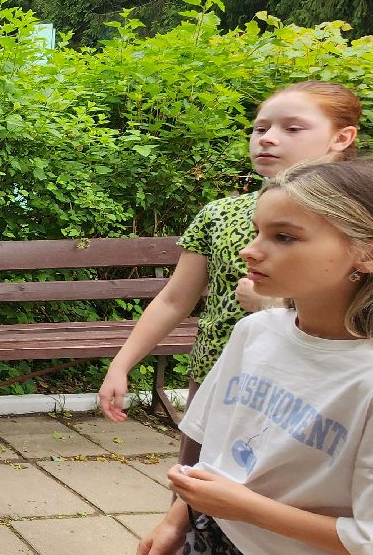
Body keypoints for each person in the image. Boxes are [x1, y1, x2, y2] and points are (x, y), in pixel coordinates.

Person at [107, 158, 373, 555]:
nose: (252, 252)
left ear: (363, 253)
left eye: (285, 237)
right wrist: (180, 519)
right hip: (214, 551)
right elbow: (218, 442)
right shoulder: (257, 332)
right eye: (259, 231)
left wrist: (243, 508)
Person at [98, 81, 362, 450]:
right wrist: (122, 363)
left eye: (292, 128)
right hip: (218, 380)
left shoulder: (356, 221)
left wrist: (275, 304)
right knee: (193, 496)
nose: (267, 138)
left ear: (342, 136)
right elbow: (175, 300)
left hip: (317, 396)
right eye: (259, 128)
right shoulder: (221, 214)